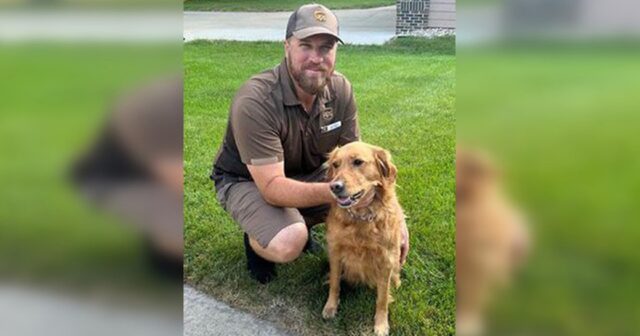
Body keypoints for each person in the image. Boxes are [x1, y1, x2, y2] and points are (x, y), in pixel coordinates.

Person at [211, 3, 409, 284]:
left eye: (326, 48)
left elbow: (359, 163)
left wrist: (395, 215)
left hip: (309, 172)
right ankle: (259, 239)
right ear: (287, 46)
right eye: (306, 46)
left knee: (355, 192)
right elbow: (272, 188)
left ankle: (295, 219)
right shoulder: (255, 100)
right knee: (290, 239)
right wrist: (341, 193)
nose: (317, 58)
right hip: (249, 180)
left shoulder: (340, 89)